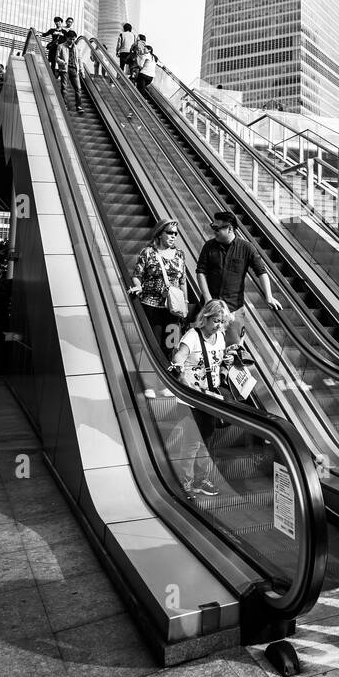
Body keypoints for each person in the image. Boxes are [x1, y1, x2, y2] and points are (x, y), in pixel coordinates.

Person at [169, 299, 233, 497]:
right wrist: (179, 369)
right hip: (192, 399)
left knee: (207, 441)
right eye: (216, 321)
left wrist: (228, 359)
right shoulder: (192, 336)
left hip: (210, 397)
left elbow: (218, 360)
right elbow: (179, 356)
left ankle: (200, 480)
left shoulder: (220, 337)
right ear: (205, 318)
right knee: (191, 443)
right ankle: (186, 482)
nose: (219, 326)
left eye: (222, 322)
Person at [196, 211, 281, 352]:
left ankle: (226, 373)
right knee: (203, 348)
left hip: (233, 308)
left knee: (232, 350)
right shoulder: (209, 246)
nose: (214, 231)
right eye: (213, 226)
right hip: (209, 307)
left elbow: (261, 271)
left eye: (217, 228)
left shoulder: (246, 248)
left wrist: (269, 296)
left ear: (229, 228)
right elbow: (201, 272)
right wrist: (208, 299)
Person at [128, 218, 187, 357]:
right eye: (170, 232)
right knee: (153, 344)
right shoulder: (148, 252)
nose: (173, 236)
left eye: (175, 234)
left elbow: (182, 281)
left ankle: (169, 371)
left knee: (171, 345)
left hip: (173, 309)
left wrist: (185, 303)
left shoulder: (180, 254)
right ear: (160, 233)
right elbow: (137, 275)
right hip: (152, 306)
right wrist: (138, 286)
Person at [55, 29, 83, 113]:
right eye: (71, 39)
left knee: (78, 88)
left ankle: (79, 106)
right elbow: (56, 58)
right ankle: (64, 105)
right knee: (64, 88)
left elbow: (79, 59)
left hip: (74, 69)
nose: (72, 40)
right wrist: (63, 62)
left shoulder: (77, 48)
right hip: (64, 69)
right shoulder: (61, 46)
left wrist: (82, 70)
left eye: (74, 39)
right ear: (67, 38)